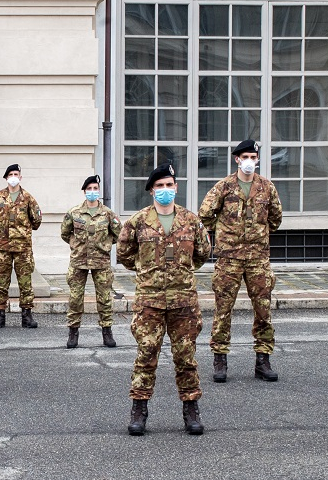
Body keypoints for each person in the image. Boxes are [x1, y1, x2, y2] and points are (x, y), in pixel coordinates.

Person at [116, 164, 212, 436]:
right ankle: (139, 409)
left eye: (169, 185)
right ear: (151, 191)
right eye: (160, 186)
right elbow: (124, 254)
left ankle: (191, 409)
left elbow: (203, 253)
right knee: (146, 355)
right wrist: (148, 271)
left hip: (184, 301)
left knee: (186, 357)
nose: (165, 190)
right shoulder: (137, 222)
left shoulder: (191, 221)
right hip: (150, 301)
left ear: (176, 188)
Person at [198, 139, 283, 382]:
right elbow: (205, 215)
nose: (249, 162)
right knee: (223, 310)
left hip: (258, 258)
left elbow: (275, 218)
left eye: (253, 158)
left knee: (263, 310)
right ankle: (220, 359)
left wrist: (257, 234)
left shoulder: (267, 187)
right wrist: (225, 233)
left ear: (257, 160)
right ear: (236, 159)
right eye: (244, 157)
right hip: (229, 259)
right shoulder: (224, 187)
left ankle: (263, 360)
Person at [60, 175, 121, 348]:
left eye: (95, 189)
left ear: (99, 191)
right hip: (79, 261)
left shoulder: (108, 214)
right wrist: (75, 245)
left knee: (104, 298)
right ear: (84, 191)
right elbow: (65, 233)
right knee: (75, 298)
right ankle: (73, 332)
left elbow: (118, 234)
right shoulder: (74, 212)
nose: (93, 192)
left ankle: (107, 331)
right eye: (89, 189)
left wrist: (105, 245)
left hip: (101, 262)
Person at [0, 164, 42, 328]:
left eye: (16, 173)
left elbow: (36, 220)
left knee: (25, 283)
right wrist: (3, 231)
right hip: (3, 248)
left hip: (23, 248)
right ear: (6, 178)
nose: (13, 176)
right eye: (10, 174)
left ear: (20, 177)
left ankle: (27, 316)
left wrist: (23, 231)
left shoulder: (28, 198)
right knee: (1, 283)